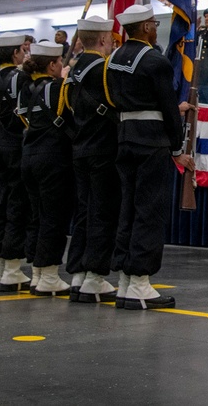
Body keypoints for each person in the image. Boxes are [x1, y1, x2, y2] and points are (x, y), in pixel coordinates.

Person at [107, 4, 195, 310]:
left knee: (128, 207)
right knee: (149, 209)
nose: (156, 27)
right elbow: (167, 108)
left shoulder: (113, 59)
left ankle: (125, 280)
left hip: (125, 135)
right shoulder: (155, 61)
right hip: (151, 141)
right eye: (153, 23)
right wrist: (177, 150)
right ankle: (141, 282)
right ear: (144, 27)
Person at [66, 16, 122, 304]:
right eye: (110, 37)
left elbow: (66, 109)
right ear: (102, 39)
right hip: (102, 147)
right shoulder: (103, 68)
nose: (112, 42)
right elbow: (118, 103)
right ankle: (95, 276)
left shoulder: (73, 71)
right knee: (102, 213)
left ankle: (78, 272)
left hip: (80, 147)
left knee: (85, 213)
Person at [18, 40, 75, 297]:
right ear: (52, 65)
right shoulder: (58, 88)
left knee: (37, 216)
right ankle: (49, 273)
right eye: (60, 62)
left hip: (28, 154)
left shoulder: (25, 88)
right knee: (54, 216)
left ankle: (38, 272)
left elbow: (23, 119)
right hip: (53, 157)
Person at [0, 33, 31, 293]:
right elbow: (25, 113)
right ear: (15, 54)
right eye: (23, 50)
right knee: (16, 205)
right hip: (15, 143)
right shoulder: (21, 78)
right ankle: (12, 266)